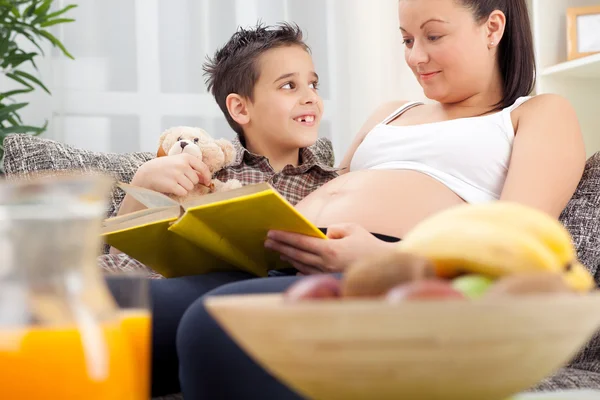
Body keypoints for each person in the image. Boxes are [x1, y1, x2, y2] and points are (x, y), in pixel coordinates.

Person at [155, 0, 587, 398]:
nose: (415, 56)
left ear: (492, 27)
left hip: (386, 276)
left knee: (214, 326)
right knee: (128, 307)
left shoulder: (536, 113)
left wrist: (383, 260)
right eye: (406, 39)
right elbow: (337, 186)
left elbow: (514, 245)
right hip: (276, 258)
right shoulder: (390, 113)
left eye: (433, 36)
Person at [112, 22, 338, 396]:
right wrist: (140, 187)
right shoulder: (202, 174)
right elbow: (124, 269)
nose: (310, 97)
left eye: (312, 84)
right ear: (240, 107)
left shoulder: (336, 185)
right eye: (289, 86)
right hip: (171, 304)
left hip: (267, 315)